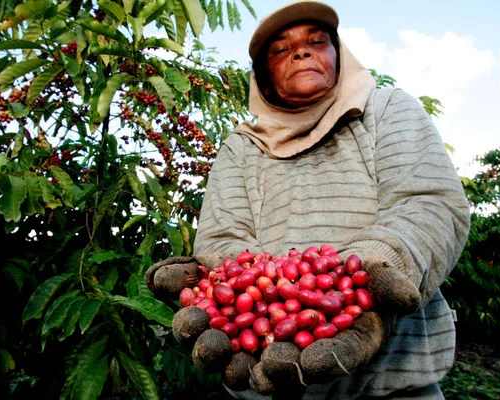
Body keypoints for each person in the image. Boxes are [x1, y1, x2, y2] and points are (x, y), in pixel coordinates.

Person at [145, 1, 470, 399]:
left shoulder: (387, 110)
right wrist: (235, 280)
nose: (302, 52)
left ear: (339, 56)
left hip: (395, 387)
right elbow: (223, 238)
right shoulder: (242, 148)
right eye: (282, 50)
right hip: (266, 389)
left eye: (317, 42)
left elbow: (429, 202)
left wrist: (373, 267)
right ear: (264, 77)